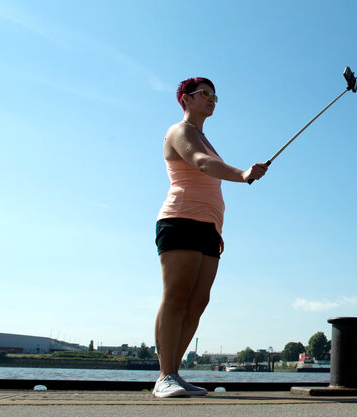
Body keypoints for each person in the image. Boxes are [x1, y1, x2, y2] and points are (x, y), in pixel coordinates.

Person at [152, 77, 268, 397]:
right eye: (205, 94)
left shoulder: (205, 138)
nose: (211, 99)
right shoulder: (180, 131)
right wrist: (243, 175)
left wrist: (217, 229)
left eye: (215, 95)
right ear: (186, 99)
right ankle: (164, 377)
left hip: (208, 228)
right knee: (177, 295)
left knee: (198, 301)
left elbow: (210, 180)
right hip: (180, 220)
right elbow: (202, 165)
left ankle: (174, 373)